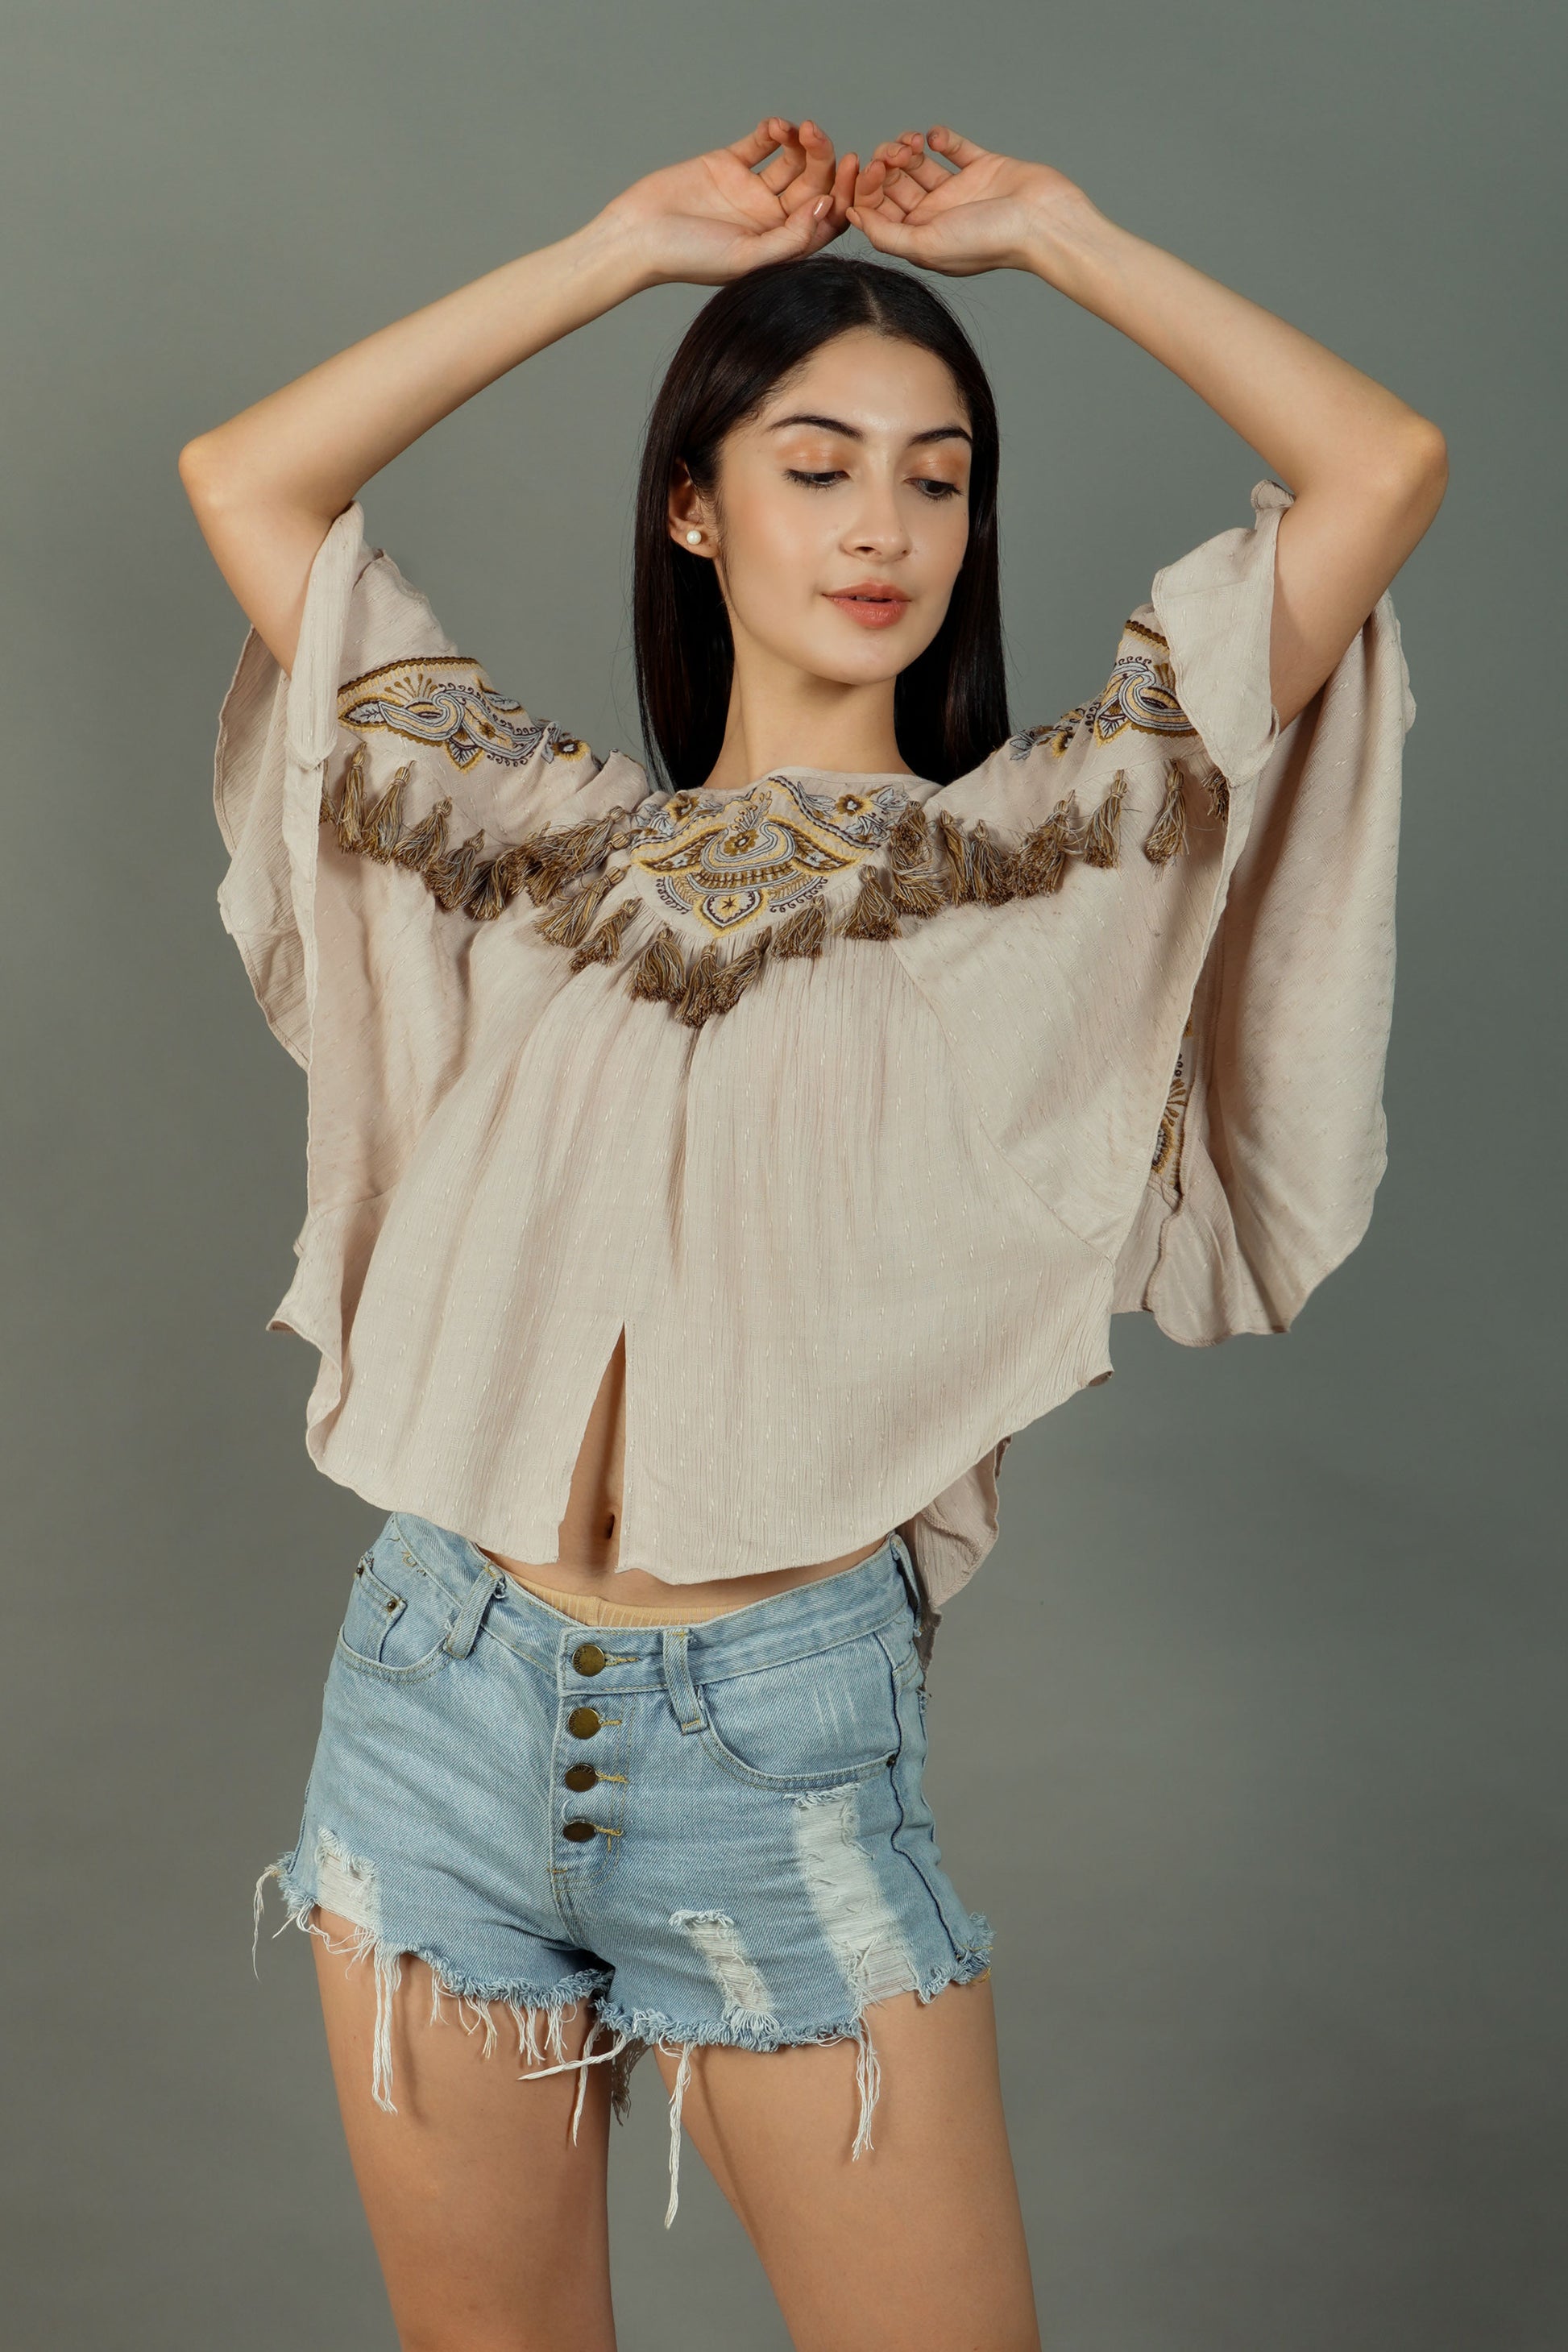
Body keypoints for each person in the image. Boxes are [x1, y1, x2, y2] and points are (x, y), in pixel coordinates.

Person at [180, 114, 1445, 2352]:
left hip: (772, 1743)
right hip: (429, 1702)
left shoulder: (1052, 853)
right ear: (695, 499)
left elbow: (1374, 469)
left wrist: (1062, 234)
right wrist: (611, 250)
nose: (882, 526)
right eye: (814, 463)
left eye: (936, 476)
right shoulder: (522, 835)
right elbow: (248, 484)